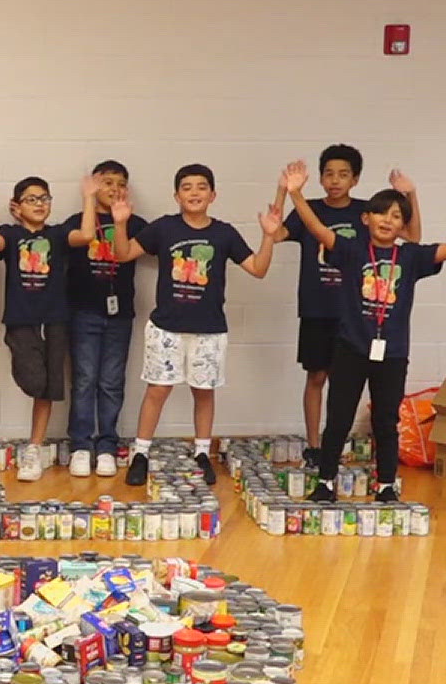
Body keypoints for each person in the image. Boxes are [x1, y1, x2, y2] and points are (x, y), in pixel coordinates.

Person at [281, 161, 446, 502]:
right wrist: (296, 194)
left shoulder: (412, 257)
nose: (387, 221)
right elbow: (318, 230)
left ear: (403, 224)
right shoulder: (351, 250)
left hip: (391, 354)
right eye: (380, 214)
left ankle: (386, 484)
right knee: (339, 419)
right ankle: (326, 482)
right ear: (366, 219)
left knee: (386, 421)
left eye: (395, 216)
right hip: (350, 348)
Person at [109, 164, 272, 488]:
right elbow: (124, 254)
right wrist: (120, 222)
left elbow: (257, 268)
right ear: (176, 195)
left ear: (213, 195)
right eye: (186, 187)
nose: (194, 192)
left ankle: (201, 452)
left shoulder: (223, 233)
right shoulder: (164, 228)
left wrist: (268, 235)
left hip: (209, 329)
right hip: (166, 327)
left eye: (201, 187)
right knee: (157, 390)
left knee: (204, 392)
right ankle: (141, 454)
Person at [268, 145, 422, 468]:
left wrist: (410, 195)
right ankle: (314, 446)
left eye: (343, 174)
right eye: (328, 174)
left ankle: (338, 447)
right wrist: (284, 190)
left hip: (357, 314)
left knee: (345, 384)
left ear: (355, 179)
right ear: (320, 178)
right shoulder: (308, 208)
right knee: (316, 376)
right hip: (316, 306)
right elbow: (277, 231)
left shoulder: (368, 210)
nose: (335, 180)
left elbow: (412, 236)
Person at [0, 176, 75, 482]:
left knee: (48, 389)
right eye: (32, 199)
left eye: (44, 198)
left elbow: (83, 236)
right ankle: (34, 443)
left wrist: (89, 197)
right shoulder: (11, 234)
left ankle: (35, 447)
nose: (40, 204)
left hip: (55, 318)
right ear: (17, 206)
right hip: (21, 318)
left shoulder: (57, 234)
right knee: (34, 379)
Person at [61, 162, 146, 478]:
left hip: (120, 313)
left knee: (111, 381)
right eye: (106, 182)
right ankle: (81, 446)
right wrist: (87, 201)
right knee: (84, 379)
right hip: (84, 311)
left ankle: (107, 445)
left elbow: (160, 242)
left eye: (120, 183)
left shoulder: (134, 224)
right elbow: (71, 240)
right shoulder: (77, 221)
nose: (113, 188)